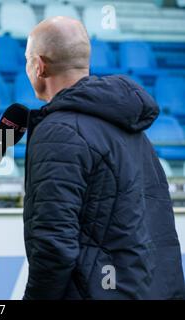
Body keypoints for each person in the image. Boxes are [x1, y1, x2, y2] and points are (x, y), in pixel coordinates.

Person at [23, 16, 185, 299]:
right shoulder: (128, 125)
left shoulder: (57, 132)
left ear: (39, 65)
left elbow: (54, 245)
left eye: (27, 60)